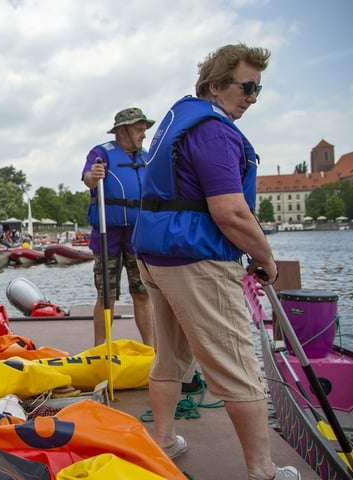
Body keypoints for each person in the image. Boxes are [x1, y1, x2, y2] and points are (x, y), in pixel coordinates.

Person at [132, 44, 298, 480]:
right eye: (247, 87)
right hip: (195, 260)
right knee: (239, 368)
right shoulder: (215, 132)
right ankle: (263, 471)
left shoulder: (180, 119)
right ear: (217, 84)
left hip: (155, 256)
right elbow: (231, 212)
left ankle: (164, 440)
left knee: (168, 356)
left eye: (258, 89)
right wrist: (266, 257)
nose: (252, 97)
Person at [81, 107, 154, 347]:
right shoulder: (101, 154)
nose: (143, 134)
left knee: (142, 293)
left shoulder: (146, 157)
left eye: (144, 130)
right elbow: (88, 179)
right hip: (107, 235)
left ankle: (151, 350)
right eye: (138, 130)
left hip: (139, 236)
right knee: (107, 295)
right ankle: (100, 348)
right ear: (122, 131)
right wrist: (94, 176)